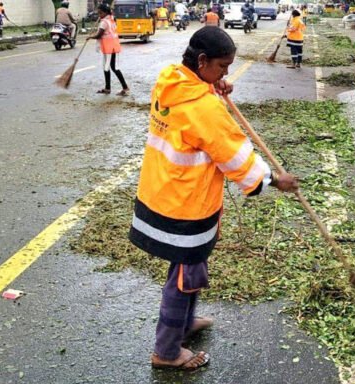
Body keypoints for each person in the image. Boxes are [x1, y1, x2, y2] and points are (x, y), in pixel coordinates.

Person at [131, 27, 299, 371]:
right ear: (203, 61)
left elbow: (197, 107)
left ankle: (185, 324)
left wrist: (212, 86)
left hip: (163, 191)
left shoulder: (171, 81)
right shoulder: (204, 109)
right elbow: (236, 158)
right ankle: (166, 352)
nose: (226, 73)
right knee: (183, 277)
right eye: (223, 67)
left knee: (190, 270)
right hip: (185, 208)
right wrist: (273, 180)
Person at [86, 3, 130, 96]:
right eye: (98, 13)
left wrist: (90, 37)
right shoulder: (111, 19)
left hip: (109, 47)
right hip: (113, 46)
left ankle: (119, 88)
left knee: (108, 67)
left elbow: (99, 35)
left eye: (100, 13)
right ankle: (112, 88)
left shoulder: (104, 22)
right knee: (111, 67)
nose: (99, 15)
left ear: (105, 12)